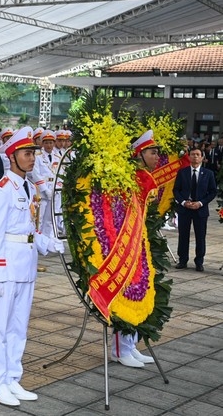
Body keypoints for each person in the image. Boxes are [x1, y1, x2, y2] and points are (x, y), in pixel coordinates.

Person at [0, 126, 58, 406]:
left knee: (19, 327)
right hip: (6, 268)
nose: (32, 159)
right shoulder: (1, 190)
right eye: (27, 154)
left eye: (33, 154)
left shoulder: (28, 187)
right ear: (13, 156)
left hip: (26, 264)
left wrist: (46, 243)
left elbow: (27, 229)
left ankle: (13, 378)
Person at [111, 130, 160, 368]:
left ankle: (130, 344)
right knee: (127, 293)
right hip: (127, 242)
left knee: (140, 291)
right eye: (152, 152)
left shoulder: (144, 176)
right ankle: (120, 349)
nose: (156, 157)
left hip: (140, 240)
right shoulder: (133, 177)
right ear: (140, 154)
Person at [173, 146, 217, 272]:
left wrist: (201, 203)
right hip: (184, 209)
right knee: (183, 235)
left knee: (200, 236)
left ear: (202, 158)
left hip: (200, 210)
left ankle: (199, 262)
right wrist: (183, 202)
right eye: (192, 154)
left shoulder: (208, 174)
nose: (195, 157)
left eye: (198, 154)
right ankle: (183, 260)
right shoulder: (183, 172)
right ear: (189, 156)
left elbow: (212, 192)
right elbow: (176, 189)